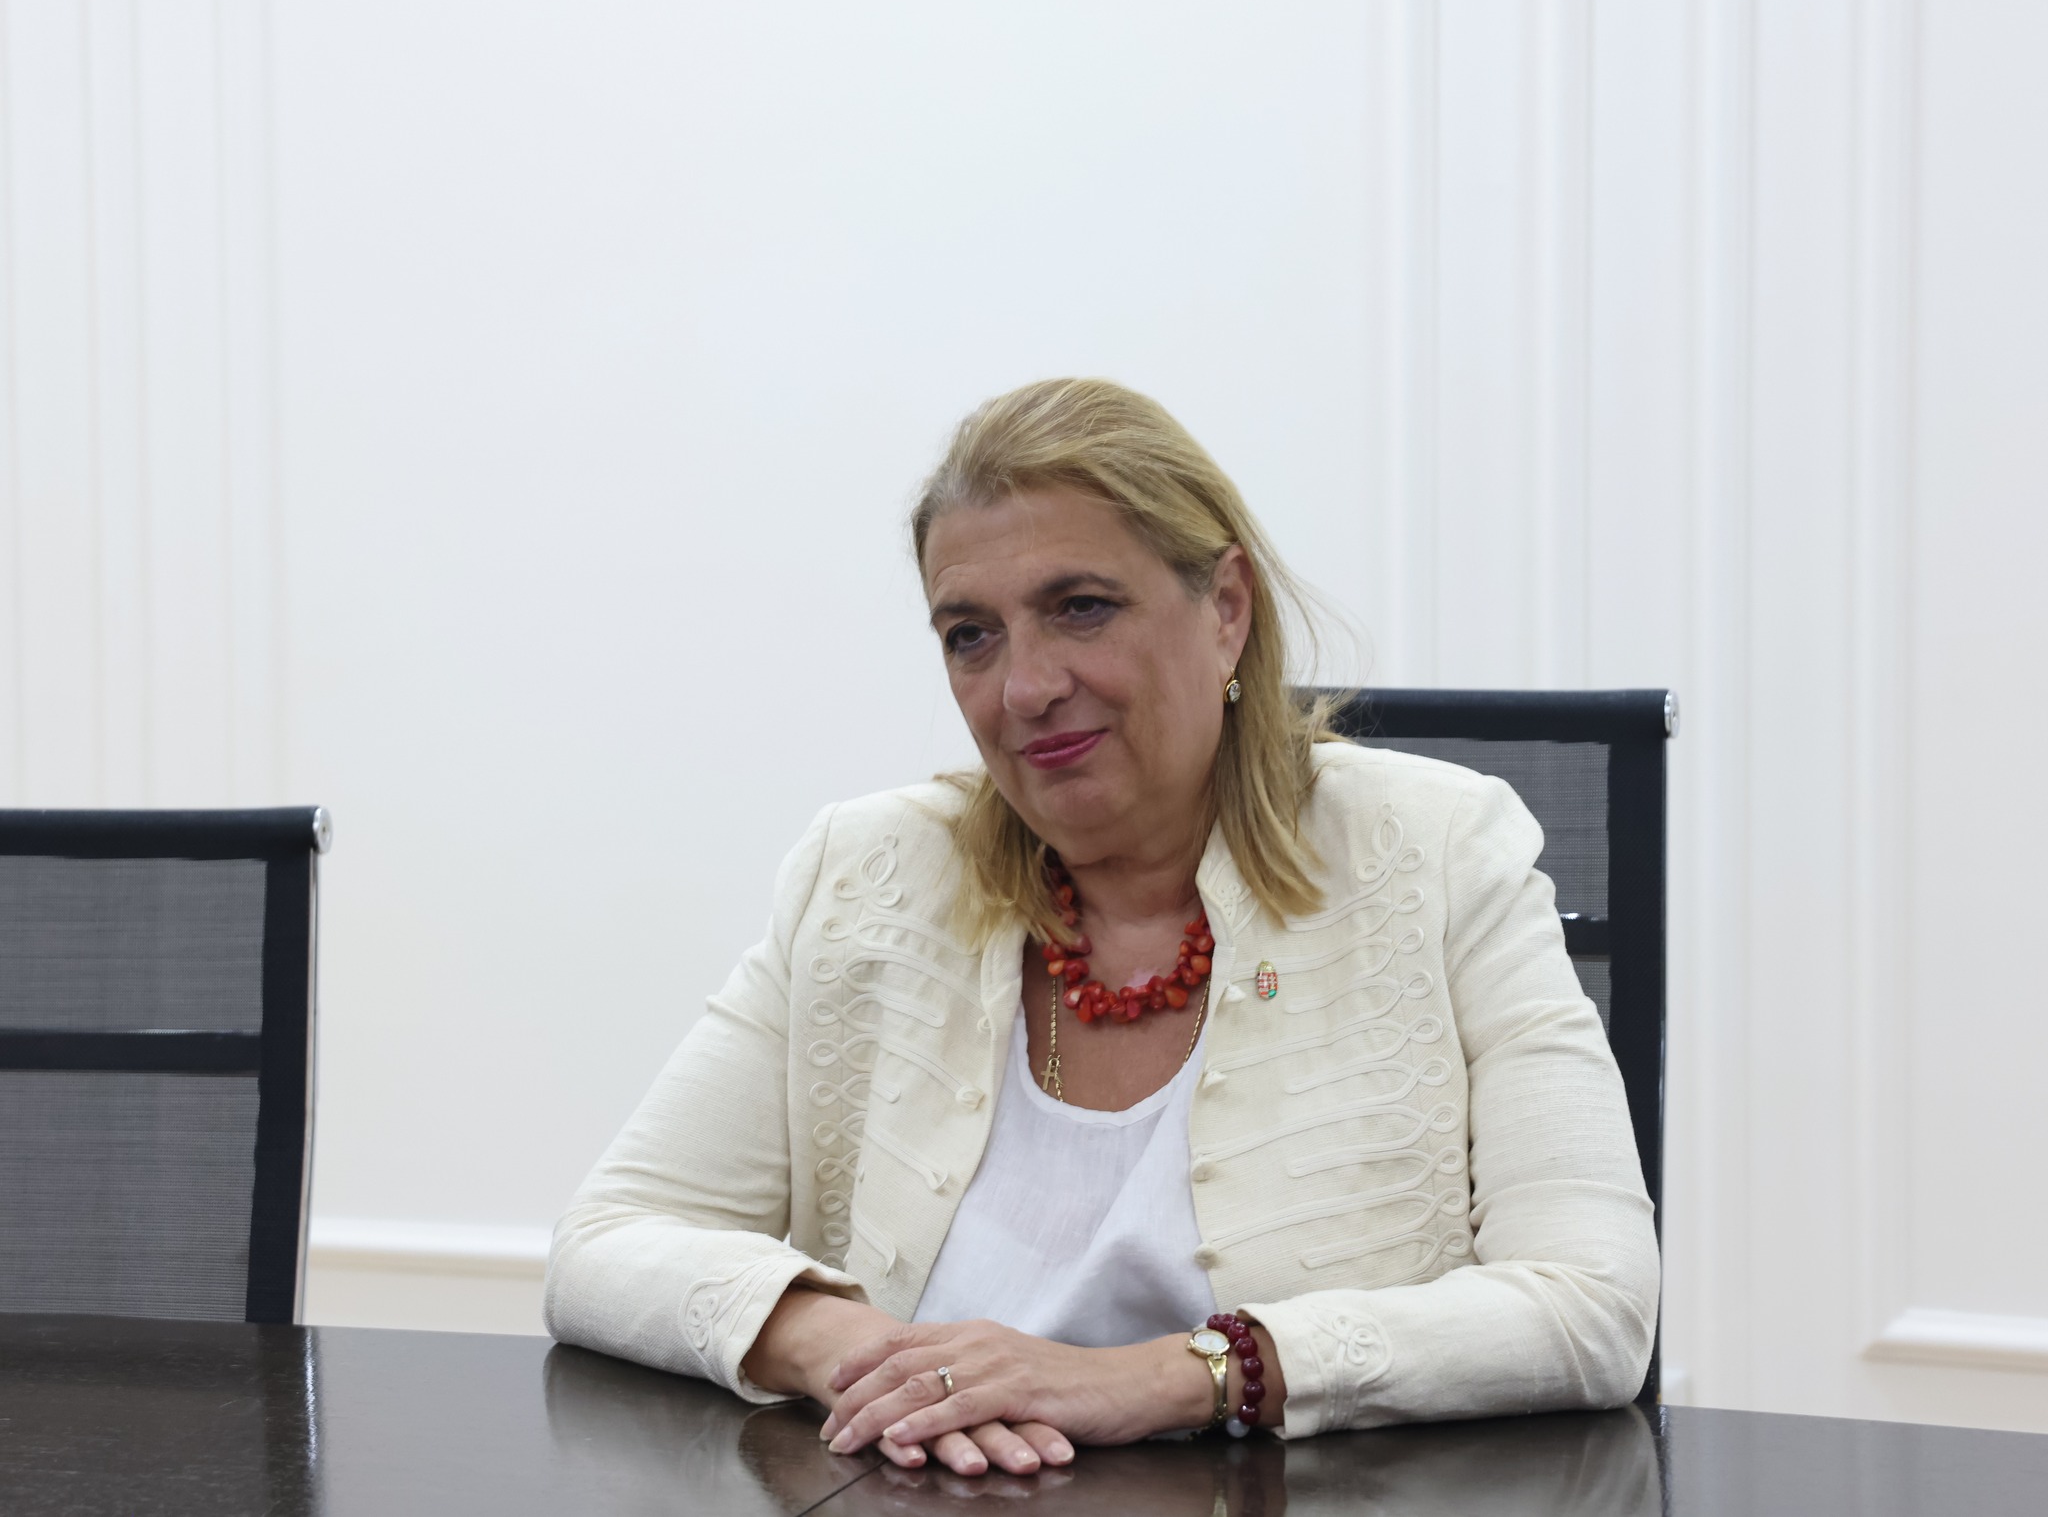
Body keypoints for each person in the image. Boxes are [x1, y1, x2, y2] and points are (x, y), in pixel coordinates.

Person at [544, 378, 1659, 1478]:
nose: (1024, 687)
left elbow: (1592, 1304)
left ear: (1226, 609)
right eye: (970, 635)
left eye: (1081, 606)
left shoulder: (1437, 852)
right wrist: (849, 1345)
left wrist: (1161, 1376)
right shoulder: (868, 875)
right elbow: (606, 1240)